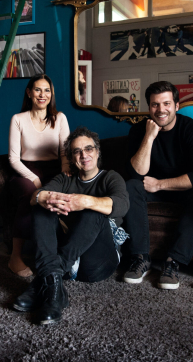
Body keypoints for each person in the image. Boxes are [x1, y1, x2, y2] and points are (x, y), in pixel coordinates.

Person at [13, 127, 130, 325]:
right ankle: (54, 290)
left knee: (95, 210)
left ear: (97, 152)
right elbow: (36, 197)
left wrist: (85, 201)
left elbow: (122, 205)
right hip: (68, 257)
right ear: (71, 157)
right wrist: (43, 197)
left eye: (88, 148)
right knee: (43, 206)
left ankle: (42, 281)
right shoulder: (64, 179)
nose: (84, 155)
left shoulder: (110, 177)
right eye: (77, 151)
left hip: (97, 263)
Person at [122, 81, 193, 290]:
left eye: (166, 104)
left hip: (184, 190)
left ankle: (173, 262)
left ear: (177, 106)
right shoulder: (139, 130)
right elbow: (136, 173)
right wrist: (149, 137)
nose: (161, 110)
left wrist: (160, 185)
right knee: (130, 186)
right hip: (149, 189)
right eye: (155, 104)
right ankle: (140, 258)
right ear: (149, 107)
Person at [8, 74, 70, 277]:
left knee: (56, 196)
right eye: (37, 90)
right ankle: (15, 256)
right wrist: (34, 179)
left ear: (51, 94)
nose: (42, 95)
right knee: (30, 194)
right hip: (25, 171)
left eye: (47, 90)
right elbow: (13, 159)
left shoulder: (60, 118)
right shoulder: (18, 119)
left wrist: (64, 175)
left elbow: (65, 153)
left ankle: (54, 255)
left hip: (54, 170)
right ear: (29, 92)